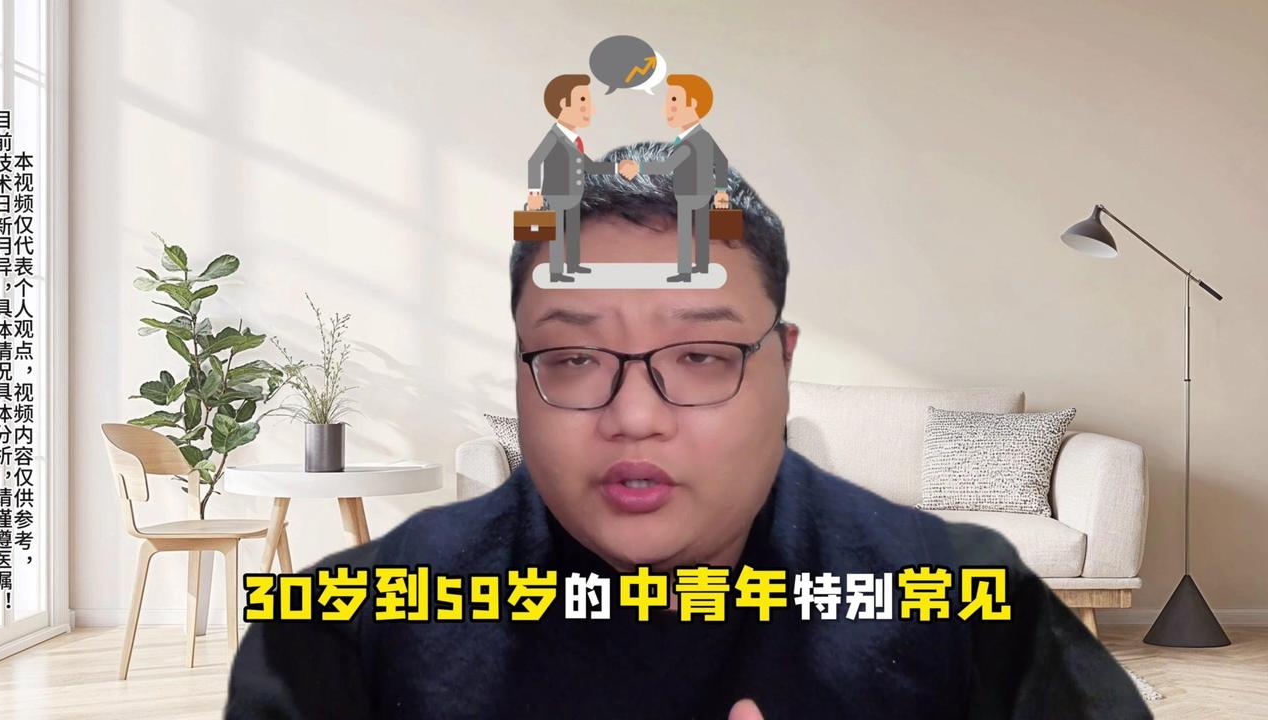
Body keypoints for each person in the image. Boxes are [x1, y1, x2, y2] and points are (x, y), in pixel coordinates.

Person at [226, 142, 1151, 720]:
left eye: (702, 356)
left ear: (782, 364)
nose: (635, 417)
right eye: (575, 357)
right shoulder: (337, 631)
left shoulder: (965, 600)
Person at [526, 73, 633, 282]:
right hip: (557, 195)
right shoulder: (554, 138)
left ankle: (573, 266)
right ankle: (556, 272)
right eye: (582, 101)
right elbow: (534, 162)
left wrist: (618, 168)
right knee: (557, 235)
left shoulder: (574, 141)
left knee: (574, 232)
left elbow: (590, 166)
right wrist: (534, 193)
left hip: (575, 195)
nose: (588, 109)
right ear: (563, 104)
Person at [635, 74, 730, 283]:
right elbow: (721, 161)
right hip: (699, 191)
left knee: (687, 234)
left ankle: (686, 271)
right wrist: (721, 190)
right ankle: (701, 268)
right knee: (699, 232)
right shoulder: (699, 137)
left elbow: (668, 166)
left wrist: (637, 167)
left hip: (690, 193)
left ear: (693, 104)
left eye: (674, 101)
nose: (668, 109)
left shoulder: (692, 140)